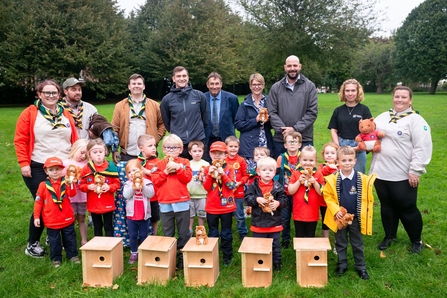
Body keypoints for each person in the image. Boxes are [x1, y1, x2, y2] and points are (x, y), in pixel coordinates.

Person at [14, 79, 78, 258]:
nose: (51, 96)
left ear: (59, 94)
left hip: (63, 166)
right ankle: (32, 243)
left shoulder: (65, 113)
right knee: (45, 203)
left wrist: (75, 162)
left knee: (63, 201)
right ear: (39, 95)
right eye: (46, 93)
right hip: (38, 165)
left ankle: (54, 234)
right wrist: (24, 163)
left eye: (54, 92)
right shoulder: (30, 113)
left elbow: (73, 138)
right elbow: (20, 139)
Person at [370, 86, 432, 254]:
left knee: (407, 207)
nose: (399, 99)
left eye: (404, 97)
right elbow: (371, 135)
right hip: (381, 172)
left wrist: (416, 170)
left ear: (410, 100)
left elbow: (422, 147)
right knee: (387, 206)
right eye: (397, 96)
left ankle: (416, 240)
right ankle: (389, 236)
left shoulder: (416, 121)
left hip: (402, 174)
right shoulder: (383, 117)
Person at [324, 146, 377, 279]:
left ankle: (360, 266)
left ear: (355, 161)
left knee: (357, 242)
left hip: (356, 218)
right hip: (340, 218)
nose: (347, 163)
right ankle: (342, 264)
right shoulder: (333, 179)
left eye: (350, 160)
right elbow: (328, 196)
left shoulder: (362, 179)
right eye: (344, 160)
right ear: (338, 162)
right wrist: (336, 211)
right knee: (340, 242)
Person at [151, 134, 193, 269]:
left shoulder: (185, 162)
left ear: (180, 149)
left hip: (181, 201)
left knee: (184, 232)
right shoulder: (158, 165)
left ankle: (182, 258)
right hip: (165, 202)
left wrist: (179, 168)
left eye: (175, 148)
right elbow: (154, 181)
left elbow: (187, 178)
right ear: (163, 149)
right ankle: (169, 258)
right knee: (168, 231)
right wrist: (165, 172)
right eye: (168, 148)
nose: (171, 150)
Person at [267, 55, 318, 158]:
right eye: (289, 66)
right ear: (285, 67)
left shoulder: (310, 86)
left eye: (295, 65)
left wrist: (294, 129)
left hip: (304, 139)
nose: (292, 69)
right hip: (281, 140)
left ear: (300, 66)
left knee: (304, 171)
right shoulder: (276, 88)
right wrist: (283, 131)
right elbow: (271, 112)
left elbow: (312, 112)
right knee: (280, 171)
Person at [33, 157, 80, 267]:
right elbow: (38, 202)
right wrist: (36, 217)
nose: (55, 172)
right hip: (51, 220)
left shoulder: (66, 182)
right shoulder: (43, 185)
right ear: (46, 171)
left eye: (57, 169)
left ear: (62, 170)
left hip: (67, 217)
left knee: (70, 238)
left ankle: (72, 255)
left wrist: (72, 183)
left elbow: (72, 194)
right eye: (51, 170)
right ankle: (56, 258)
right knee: (54, 241)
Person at [244, 157, 287, 271]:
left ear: (275, 172)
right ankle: (260, 262)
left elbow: (284, 200)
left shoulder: (278, 187)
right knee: (259, 244)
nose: (267, 172)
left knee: (275, 245)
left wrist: (278, 203)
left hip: (274, 223)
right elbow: (247, 198)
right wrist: (256, 199)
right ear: (258, 172)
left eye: (270, 170)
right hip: (258, 223)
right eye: (264, 170)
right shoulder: (253, 186)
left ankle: (276, 263)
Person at [111, 73, 166, 163]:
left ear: (144, 86)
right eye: (134, 84)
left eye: (139, 84)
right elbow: (114, 128)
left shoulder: (155, 105)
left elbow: (162, 124)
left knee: (151, 176)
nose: (136, 86)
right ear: (129, 86)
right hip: (127, 153)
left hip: (149, 154)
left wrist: (157, 137)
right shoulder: (119, 106)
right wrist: (115, 149)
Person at [160, 66, 209, 159]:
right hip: (178, 143)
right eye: (178, 76)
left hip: (197, 141)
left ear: (188, 77)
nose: (181, 79)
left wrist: (197, 131)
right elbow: (167, 122)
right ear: (173, 79)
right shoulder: (167, 99)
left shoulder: (199, 96)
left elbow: (205, 119)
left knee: (200, 171)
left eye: (184, 76)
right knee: (180, 171)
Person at [202, 141, 237, 265]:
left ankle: (227, 256)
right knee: (213, 232)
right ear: (210, 155)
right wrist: (210, 176)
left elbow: (232, 186)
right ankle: (213, 254)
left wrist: (223, 175)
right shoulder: (207, 169)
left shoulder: (230, 169)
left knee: (226, 232)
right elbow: (206, 188)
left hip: (226, 207)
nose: (217, 156)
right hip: (212, 207)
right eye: (214, 153)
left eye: (220, 153)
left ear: (225, 155)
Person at [328, 79, 372, 173]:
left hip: (358, 148)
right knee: (340, 177)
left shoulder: (364, 110)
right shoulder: (338, 110)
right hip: (341, 145)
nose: (350, 93)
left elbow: (370, 130)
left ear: (358, 92)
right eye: (347, 91)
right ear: (343, 92)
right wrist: (337, 147)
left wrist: (358, 147)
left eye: (353, 90)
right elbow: (333, 130)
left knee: (359, 177)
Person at [79, 139, 120, 237]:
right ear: (89, 154)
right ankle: (98, 247)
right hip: (94, 204)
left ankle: (110, 248)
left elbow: (117, 184)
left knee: (108, 226)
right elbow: (81, 185)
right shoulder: (86, 168)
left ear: (105, 152)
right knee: (97, 226)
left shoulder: (111, 167)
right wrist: (88, 186)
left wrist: (109, 187)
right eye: (95, 152)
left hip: (107, 203)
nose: (98, 155)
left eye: (100, 152)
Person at [234, 73, 274, 166]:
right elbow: (238, 125)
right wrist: (255, 120)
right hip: (249, 144)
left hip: (265, 141)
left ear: (263, 85)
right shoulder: (245, 104)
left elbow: (274, 124)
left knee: (265, 171)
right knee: (250, 174)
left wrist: (268, 120)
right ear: (250, 86)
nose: (257, 87)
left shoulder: (269, 102)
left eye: (259, 84)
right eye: (254, 85)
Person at [122, 159, 154, 264]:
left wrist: (142, 185)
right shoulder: (127, 184)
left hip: (143, 215)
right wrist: (133, 185)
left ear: (141, 171)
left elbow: (151, 194)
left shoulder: (147, 182)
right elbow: (126, 195)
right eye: (129, 172)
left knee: (144, 235)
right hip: (132, 215)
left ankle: (144, 252)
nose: (132, 174)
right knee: (133, 235)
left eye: (134, 171)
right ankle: (134, 252)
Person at [288, 146, 323, 237]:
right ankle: (299, 251)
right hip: (299, 212)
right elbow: (290, 191)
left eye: (311, 160)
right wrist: (299, 181)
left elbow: (321, 192)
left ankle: (308, 251)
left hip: (312, 212)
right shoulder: (296, 174)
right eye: (305, 160)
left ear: (315, 161)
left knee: (310, 236)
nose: (308, 163)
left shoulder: (318, 174)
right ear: (300, 160)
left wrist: (315, 182)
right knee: (299, 235)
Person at [275, 131, 302, 248]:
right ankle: (285, 240)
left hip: (298, 192)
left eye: (295, 141)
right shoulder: (281, 158)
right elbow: (276, 175)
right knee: (285, 218)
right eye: (289, 141)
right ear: (285, 145)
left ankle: (299, 238)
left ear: (299, 144)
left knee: (298, 217)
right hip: (284, 193)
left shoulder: (303, 157)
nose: (292, 144)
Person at [63, 139, 90, 246]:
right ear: (75, 149)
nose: (83, 156)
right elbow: (61, 179)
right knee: (71, 219)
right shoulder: (66, 164)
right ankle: (69, 241)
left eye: (86, 154)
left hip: (83, 197)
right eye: (82, 153)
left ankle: (84, 240)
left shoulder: (87, 165)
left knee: (82, 218)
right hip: (70, 198)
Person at [204, 72, 239, 150]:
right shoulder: (202, 98)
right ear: (207, 85)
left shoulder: (232, 99)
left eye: (217, 84)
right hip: (208, 140)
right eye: (212, 84)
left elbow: (236, 118)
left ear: (221, 84)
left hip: (226, 140)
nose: (214, 86)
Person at [224, 136, 249, 240]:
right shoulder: (223, 160)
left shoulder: (241, 160)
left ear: (239, 147)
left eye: (235, 146)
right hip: (226, 193)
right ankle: (227, 234)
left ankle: (243, 234)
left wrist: (240, 183)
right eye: (230, 146)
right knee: (226, 216)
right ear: (226, 147)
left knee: (239, 215)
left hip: (238, 192)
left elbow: (246, 175)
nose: (233, 148)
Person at [137, 134, 161, 235]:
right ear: (141, 148)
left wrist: (147, 172)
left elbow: (160, 176)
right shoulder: (136, 162)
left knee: (154, 218)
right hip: (140, 197)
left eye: (154, 145)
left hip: (154, 197)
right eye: (150, 146)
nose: (154, 148)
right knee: (142, 218)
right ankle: (143, 236)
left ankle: (154, 235)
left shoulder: (157, 162)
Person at [318, 142, 340, 240]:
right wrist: (327, 168)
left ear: (337, 155)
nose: (329, 155)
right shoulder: (321, 167)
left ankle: (338, 242)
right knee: (325, 220)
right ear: (323, 155)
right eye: (327, 153)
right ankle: (325, 240)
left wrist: (334, 169)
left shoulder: (340, 167)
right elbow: (319, 177)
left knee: (337, 219)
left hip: (337, 199)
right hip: (324, 200)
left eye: (332, 153)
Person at [187, 140, 209, 234]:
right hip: (189, 195)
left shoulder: (206, 164)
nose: (197, 153)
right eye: (195, 151)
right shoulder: (187, 164)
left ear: (203, 152)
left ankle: (201, 232)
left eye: (200, 151)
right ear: (190, 152)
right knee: (190, 215)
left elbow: (209, 179)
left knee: (201, 215)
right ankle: (189, 232)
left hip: (202, 195)